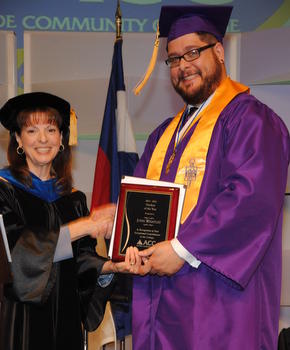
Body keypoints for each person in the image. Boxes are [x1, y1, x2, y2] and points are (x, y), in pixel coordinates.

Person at [130, 5, 290, 350]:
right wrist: (130, 244)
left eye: (192, 53)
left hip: (220, 305)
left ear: (218, 51)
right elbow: (142, 201)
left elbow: (250, 199)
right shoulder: (163, 135)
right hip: (163, 297)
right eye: (173, 59)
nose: (183, 66)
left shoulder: (253, 121)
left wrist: (181, 249)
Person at [0, 92, 134, 350]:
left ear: (61, 138)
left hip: (66, 321)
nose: (42, 139)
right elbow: (18, 256)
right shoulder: (5, 190)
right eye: (31, 130)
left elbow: (81, 262)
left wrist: (111, 268)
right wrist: (86, 225)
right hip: (23, 320)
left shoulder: (72, 199)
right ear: (18, 138)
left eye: (51, 129)